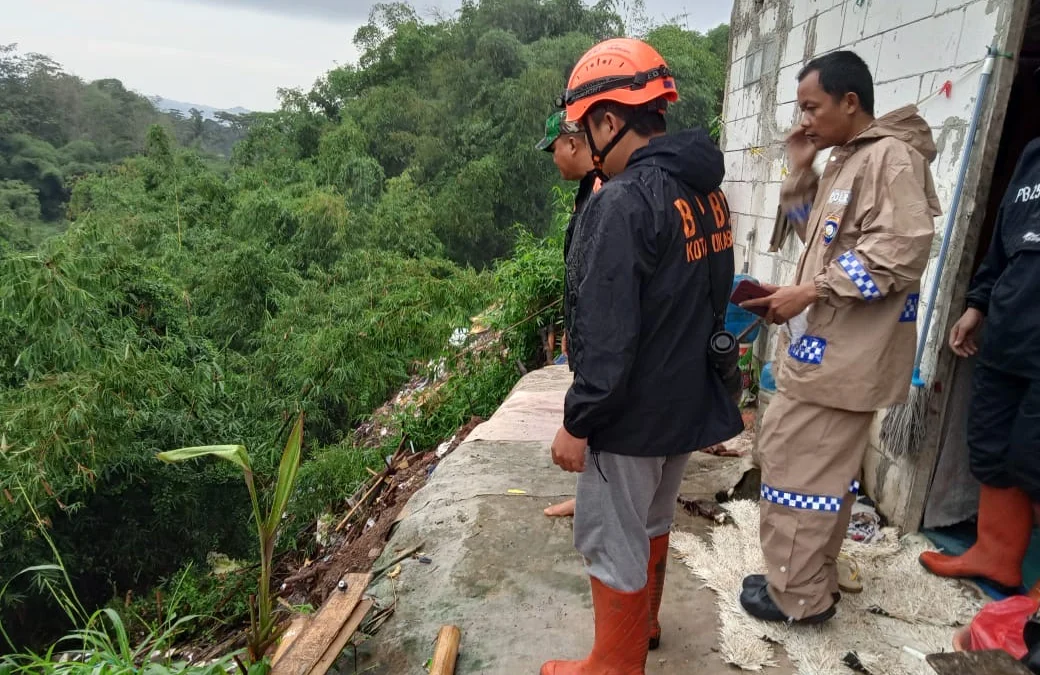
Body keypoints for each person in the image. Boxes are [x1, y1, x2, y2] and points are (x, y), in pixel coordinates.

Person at [542, 37, 743, 674]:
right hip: (684, 401)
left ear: (608, 120)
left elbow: (608, 333)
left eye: (584, 126)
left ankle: (612, 665)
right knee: (653, 520)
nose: (583, 141)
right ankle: (642, 630)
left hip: (631, 412)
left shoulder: (624, 201)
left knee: (611, 536)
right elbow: (713, 297)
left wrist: (580, 421)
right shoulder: (703, 192)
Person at [739, 50, 940, 624]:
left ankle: (797, 597)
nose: (804, 121)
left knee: (796, 468)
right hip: (821, 349)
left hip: (843, 358)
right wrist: (802, 169)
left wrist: (811, 290)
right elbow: (818, 241)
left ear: (850, 102)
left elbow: (902, 251)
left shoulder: (892, 159)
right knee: (814, 472)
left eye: (812, 107)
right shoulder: (847, 160)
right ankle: (805, 578)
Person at [919, 137, 1040, 595]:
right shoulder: (1032, 155)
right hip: (1010, 329)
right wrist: (977, 305)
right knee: (989, 444)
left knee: (1036, 459)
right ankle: (996, 557)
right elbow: (1003, 244)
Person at [535, 110, 602, 519]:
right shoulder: (591, 190)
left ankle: (596, 502)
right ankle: (592, 496)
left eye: (554, 148)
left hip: (601, 346)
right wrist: (569, 329)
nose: (554, 157)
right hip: (587, 338)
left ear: (573, 143)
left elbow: (601, 291)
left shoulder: (605, 195)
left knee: (601, 423)